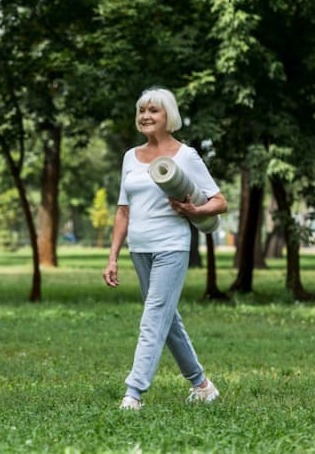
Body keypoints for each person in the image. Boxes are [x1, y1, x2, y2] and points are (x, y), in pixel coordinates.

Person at [103, 87, 228, 410]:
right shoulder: (130, 156)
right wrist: (113, 256)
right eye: (142, 110)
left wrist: (196, 212)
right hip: (139, 249)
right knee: (166, 319)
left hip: (171, 247)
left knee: (153, 315)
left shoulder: (185, 156)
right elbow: (123, 210)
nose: (146, 116)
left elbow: (219, 201)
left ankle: (133, 393)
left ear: (168, 116)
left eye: (153, 110)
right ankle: (202, 385)